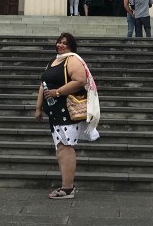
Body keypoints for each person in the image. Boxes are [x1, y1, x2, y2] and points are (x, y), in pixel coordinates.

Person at [35, 32, 100, 199]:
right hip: (54, 111)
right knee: (61, 147)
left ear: (71, 46)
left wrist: (57, 92)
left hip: (66, 110)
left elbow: (80, 80)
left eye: (65, 43)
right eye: (59, 42)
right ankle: (66, 186)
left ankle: (68, 188)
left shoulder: (72, 60)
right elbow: (43, 84)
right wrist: (38, 107)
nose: (60, 45)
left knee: (65, 146)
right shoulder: (54, 61)